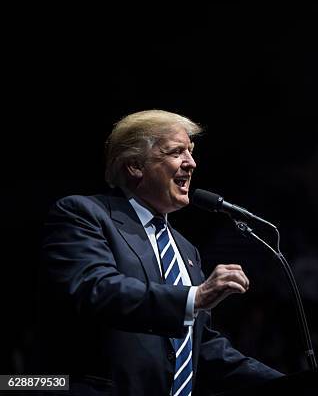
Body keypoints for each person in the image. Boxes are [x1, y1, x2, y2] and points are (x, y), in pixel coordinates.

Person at [38, 110, 283, 395]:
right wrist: (195, 297)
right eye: (177, 152)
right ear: (134, 166)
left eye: (191, 152)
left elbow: (201, 346)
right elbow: (97, 288)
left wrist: (297, 385)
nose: (191, 163)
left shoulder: (186, 250)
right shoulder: (84, 214)